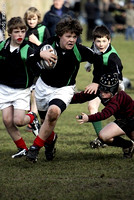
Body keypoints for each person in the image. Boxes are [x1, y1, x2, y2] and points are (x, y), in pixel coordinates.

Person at [26, 16, 95, 162]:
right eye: (68, 36)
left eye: (74, 36)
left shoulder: (79, 50)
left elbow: (100, 61)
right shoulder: (49, 44)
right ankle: (50, 142)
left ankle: (35, 148)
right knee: (46, 121)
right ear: (59, 36)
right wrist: (40, 54)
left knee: (53, 113)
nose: (72, 40)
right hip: (43, 88)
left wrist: (96, 82)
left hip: (64, 89)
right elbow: (30, 59)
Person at [0, 17, 41, 158]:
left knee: (18, 121)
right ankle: (22, 148)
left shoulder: (27, 49)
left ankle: (32, 117)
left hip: (21, 90)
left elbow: (36, 65)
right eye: (16, 31)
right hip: (4, 89)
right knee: (6, 120)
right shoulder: (1, 47)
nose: (20, 35)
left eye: (23, 31)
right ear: (10, 33)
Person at [73, 73, 134, 158]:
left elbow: (104, 114)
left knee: (104, 135)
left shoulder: (117, 98)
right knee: (104, 136)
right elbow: (82, 97)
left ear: (113, 91)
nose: (102, 94)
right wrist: (63, 100)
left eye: (105, 92)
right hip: (123, 120)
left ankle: (128, 145)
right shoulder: (102, 91)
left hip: (130, 120)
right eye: (101, 90)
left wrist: (88, 118)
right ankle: (128, 145)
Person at [84, 25, 124, 149]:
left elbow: (119, 77)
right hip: (98, 84)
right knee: (92, 106)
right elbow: (92, 51)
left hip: (112, 88)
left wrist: (117, 92)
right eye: (98, 41)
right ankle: (101, 139)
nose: (101, 44)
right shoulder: (95, 47)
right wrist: (89, 64)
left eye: (104, 41)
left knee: (122, 117)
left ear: (109, 40)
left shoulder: (112, 57)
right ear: (94, 41)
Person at [24, 7, 50, 132]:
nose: (31, 21)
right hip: (29, 66)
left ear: (38, 19)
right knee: (30, 92)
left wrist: (37, 42)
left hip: (42, 66)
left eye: (33, 19)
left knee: (38, 93)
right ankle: (32, 119)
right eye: (29, 19)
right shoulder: (25, 32)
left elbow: (49, 47)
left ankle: (38, 120)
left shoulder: (43, 29)